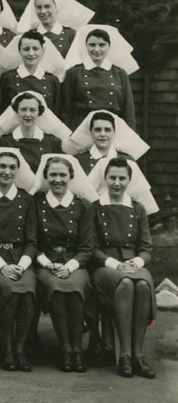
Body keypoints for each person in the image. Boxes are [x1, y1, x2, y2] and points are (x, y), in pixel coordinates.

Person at [89, 157, 158, 378]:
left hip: (133, 263)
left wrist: (136, 262)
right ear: (105, 179)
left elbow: (146, 249)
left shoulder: (138, 208)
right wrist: (116, 265)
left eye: (122, 178)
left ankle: (138, 355)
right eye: (112, 178)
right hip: (105, 265)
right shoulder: (95, 207)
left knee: (144, 285)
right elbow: (91, 248)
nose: (117, 183)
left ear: (129, 180)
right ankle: (124, 355)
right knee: (127, 283)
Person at [0, 149, 38, 372]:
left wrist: (21, 265)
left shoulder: (25, 199)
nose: (7, 171)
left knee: (28, 293)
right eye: (2, 166)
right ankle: (7, 349)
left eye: (12, 167)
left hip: (21, 259)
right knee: (10, 292)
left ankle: (20, 349)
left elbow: (32, 240)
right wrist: (1, 265)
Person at [32, 154, 96, 373]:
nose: (57, 179)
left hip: (74, 264)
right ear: (46, 176)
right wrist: (48, 264)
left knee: (75, 287)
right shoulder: (37, 203)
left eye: (62, 175)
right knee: (57, 289)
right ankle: (65, 349)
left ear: (71, 176)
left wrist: (69, 266)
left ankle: (77, 350)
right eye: (53, 175)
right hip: (45, 264)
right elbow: (32, 243)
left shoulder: (83, 205)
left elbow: (87, 248)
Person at [62, 25, 137, 129]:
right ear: (86, 46)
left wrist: (130, 137)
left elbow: (128, 111)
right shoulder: (74, 73)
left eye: (102, 45)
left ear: (109, 46)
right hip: (82, 128)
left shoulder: (120, 74)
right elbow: (67, 110)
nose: (97, 49)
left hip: (111, 127)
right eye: (92, 45)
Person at [0, 92, 65, 172]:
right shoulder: (4, 143)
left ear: (39, 113)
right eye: (23, 109)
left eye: (32, 110)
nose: (28, 114)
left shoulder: (53, 143)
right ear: (16, 112)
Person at [65, 110, 149, 175]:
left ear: (114, 132)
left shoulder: (128, 160)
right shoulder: (78, 161)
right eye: (97, 130)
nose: (102, 134)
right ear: (91, 132)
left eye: (107, 130)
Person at [0, 30, 62, 112]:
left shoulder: (52, 81)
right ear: (19, 51)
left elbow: (56, 114)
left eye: (35, 49)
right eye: (26, 49)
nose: (31, 53)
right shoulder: (7, 78)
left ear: (43, 51)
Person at [17, 0, 94, 58]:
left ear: (56, 7)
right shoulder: (30, 36)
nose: (43, 11)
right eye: (39, 7)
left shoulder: (70, 35)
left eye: (47, 6)